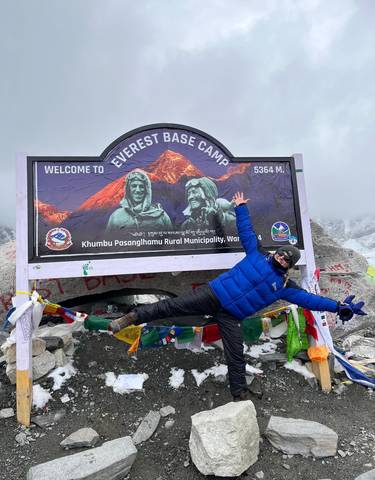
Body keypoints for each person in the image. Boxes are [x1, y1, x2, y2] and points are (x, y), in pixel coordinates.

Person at [109, 192, 366, 401]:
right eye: (280, 253)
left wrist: (338, 306)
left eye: (287, 258)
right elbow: (246, 232)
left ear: (290, 265)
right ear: (275, 252)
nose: (282, 257)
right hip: (213, 294)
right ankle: (130, 317)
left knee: (235, 354)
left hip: (232, 316)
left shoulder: (286, 286)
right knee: (171, 307)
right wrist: (241, 208)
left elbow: (312, 301)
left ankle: (239, 393)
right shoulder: (256, 254)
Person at [106, 169, 172, 232]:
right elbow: (108, 241)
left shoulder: (161, 216)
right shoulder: (116, 217)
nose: (138, 190)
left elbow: (171, 241)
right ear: (128, 190)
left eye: (141, 186)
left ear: (147, 190)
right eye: (134, 186)